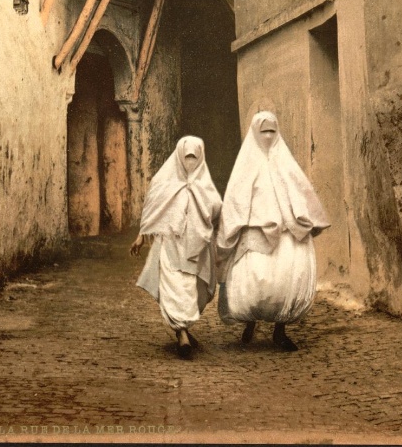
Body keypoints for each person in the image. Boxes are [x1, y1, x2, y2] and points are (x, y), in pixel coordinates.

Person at [217, 111, 330, 351]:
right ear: (255, 133)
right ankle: (249, 321)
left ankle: (280, 330)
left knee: (284, 281)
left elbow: (302, 190)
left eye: (272, 131)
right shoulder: (245, 166)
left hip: (287, 232)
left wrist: (306, 218)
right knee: (256, 281)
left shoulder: (285, 163)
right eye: (263, 131)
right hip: (256, 232)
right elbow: (235, 199)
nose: (268, 136)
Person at [130, 136, 222, 358]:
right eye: (187, 157)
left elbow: (217, 211)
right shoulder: (164, 183)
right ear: (180, 157)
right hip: (170, 246)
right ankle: (181, 334)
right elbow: (153, 212)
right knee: (174, 287)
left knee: (191, 289)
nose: (190, 162)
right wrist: (141, 236)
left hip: (195, 250)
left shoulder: (205, 185)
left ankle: (184, 329)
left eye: (195, 157)